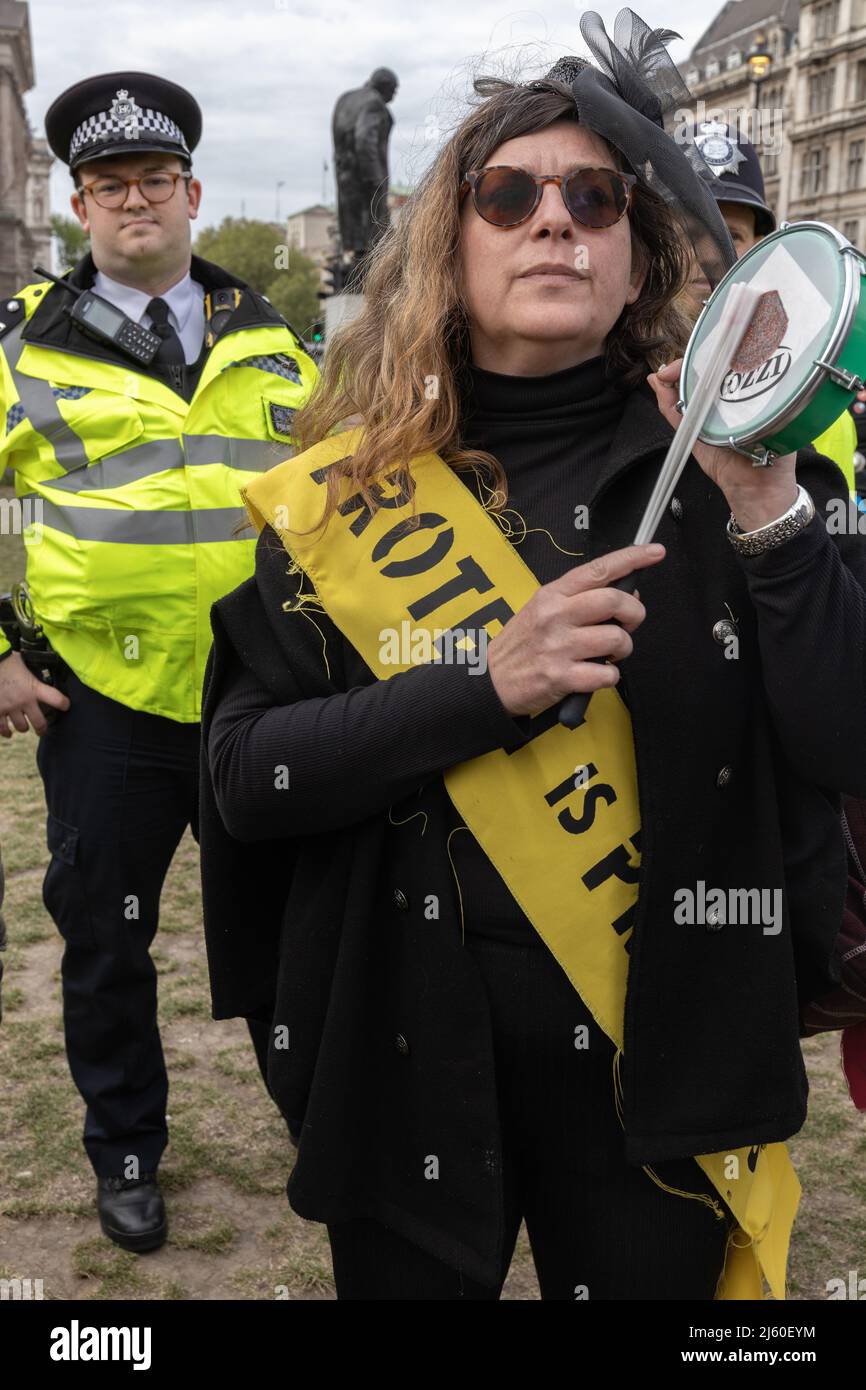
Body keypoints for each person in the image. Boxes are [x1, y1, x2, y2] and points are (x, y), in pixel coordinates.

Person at [199, 12, 866, 1300]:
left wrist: (771, 519)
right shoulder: (345, 494)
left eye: (592, 196)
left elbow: (846, 748)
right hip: (404, 1039)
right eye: (508, 194)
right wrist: (481, 688)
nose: (552, 219)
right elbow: (241, 776)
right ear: (449, 247)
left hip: (656, 1067)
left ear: (637, 255)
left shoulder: (744, 481)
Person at [0, 71, 318, 1253]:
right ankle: (125, 1151)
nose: (134, 199)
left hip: (263, 696)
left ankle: (314, 1120)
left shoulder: (277, 340)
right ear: (78, 207)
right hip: (105, 706)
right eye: (106, 184)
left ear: (192, 191)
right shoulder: (22, 350)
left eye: (153, 179)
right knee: (105, 939)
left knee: (292, 929)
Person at [681, 119, 858, 491]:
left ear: (764, 250)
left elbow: (836, 547)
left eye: (729, 235)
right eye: (688, 234)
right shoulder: (611, 372)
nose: (708, 255)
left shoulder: (812, 400)